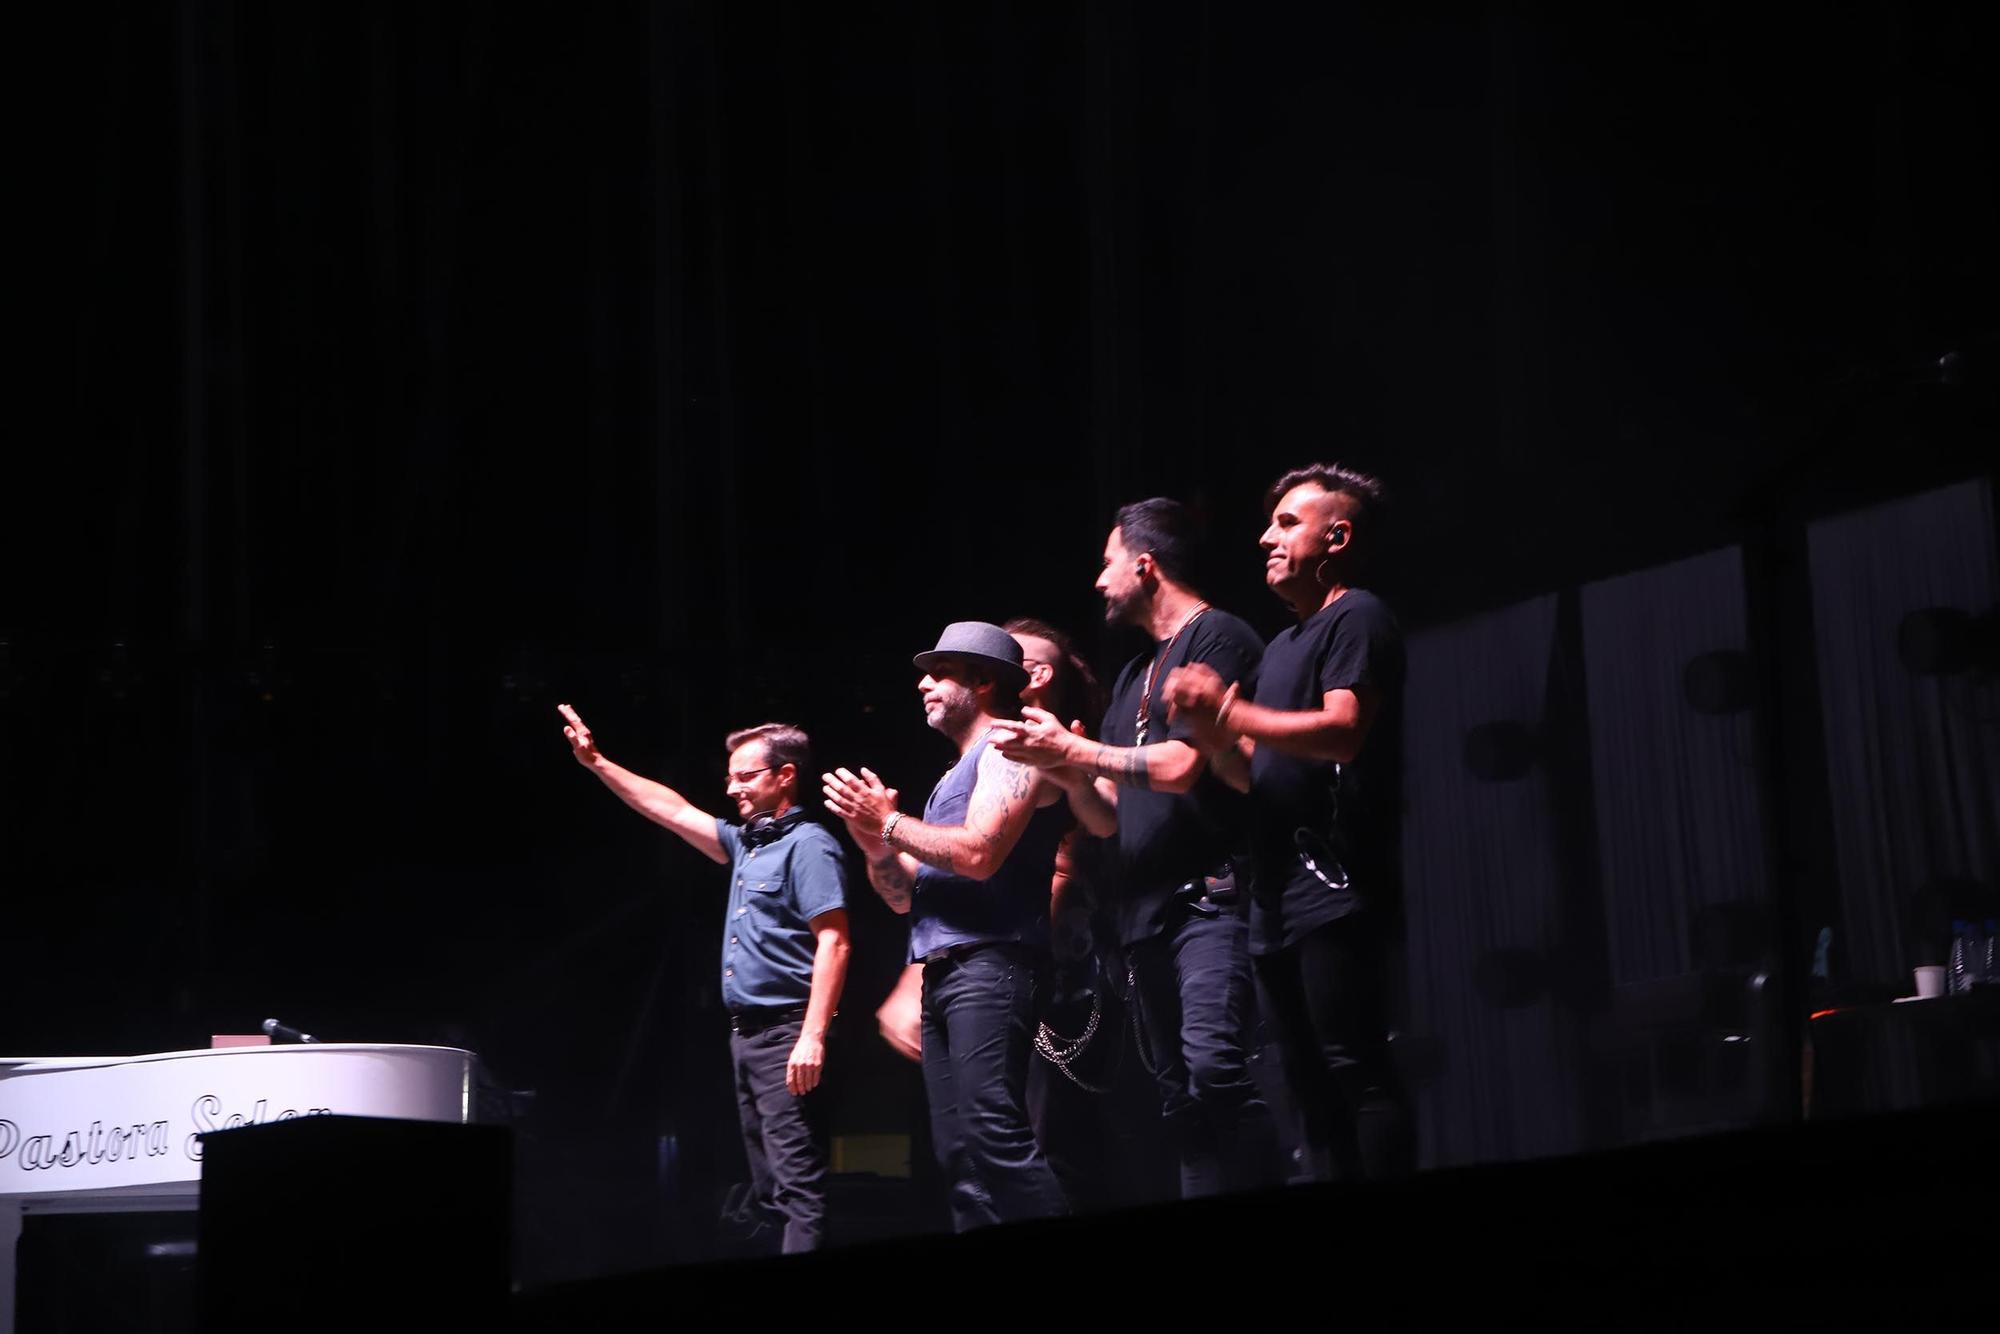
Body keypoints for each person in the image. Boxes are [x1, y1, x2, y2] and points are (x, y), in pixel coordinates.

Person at [994, 499, 1277, 1196]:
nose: (1099, 580)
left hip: (1208, 904)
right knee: (1180, 1103)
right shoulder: (1131, 680)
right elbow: (1108, 816)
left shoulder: (1220, 639)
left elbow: (1184, 767)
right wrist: (1063, 766)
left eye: (1108, 561)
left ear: (1144, 565)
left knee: (1216, 1072)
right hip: (1141, 919)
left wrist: (1075, 746)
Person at [1164, 463, 1414, 1182]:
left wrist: (1228, 712)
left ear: (1337, 537)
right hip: (1274, 898)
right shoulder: (1281, 647)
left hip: (1337, 885)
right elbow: (1253, 773)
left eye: (1286, 524)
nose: (1265, 537)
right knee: (1306, 1084)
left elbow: (1343, 731)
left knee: (1354, 1067)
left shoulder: (1356, 615)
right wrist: (1213, 736)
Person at [560, 706, 851, 1250]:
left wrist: (812, 1035)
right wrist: (598, 763)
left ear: (784, 775)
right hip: (747, 1035)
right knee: (766, 1189)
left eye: (746, 776)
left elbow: (835, 940)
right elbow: (670, 809)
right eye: (730, 777)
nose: (733, 788)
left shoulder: (808, 844)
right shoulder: (748, 843)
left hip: (788, 1033)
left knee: (798, 1189)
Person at [824, 621, 1071, 1228]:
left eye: (940, 674)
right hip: (944, 970)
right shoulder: (952, 776)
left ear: (984, 681)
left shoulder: (1010, 746)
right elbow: (909, 899)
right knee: (958, 1154)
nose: (924, 687)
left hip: (993, 964)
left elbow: (979, 854)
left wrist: (889, 823)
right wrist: (878, 847)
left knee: (994, 1136)